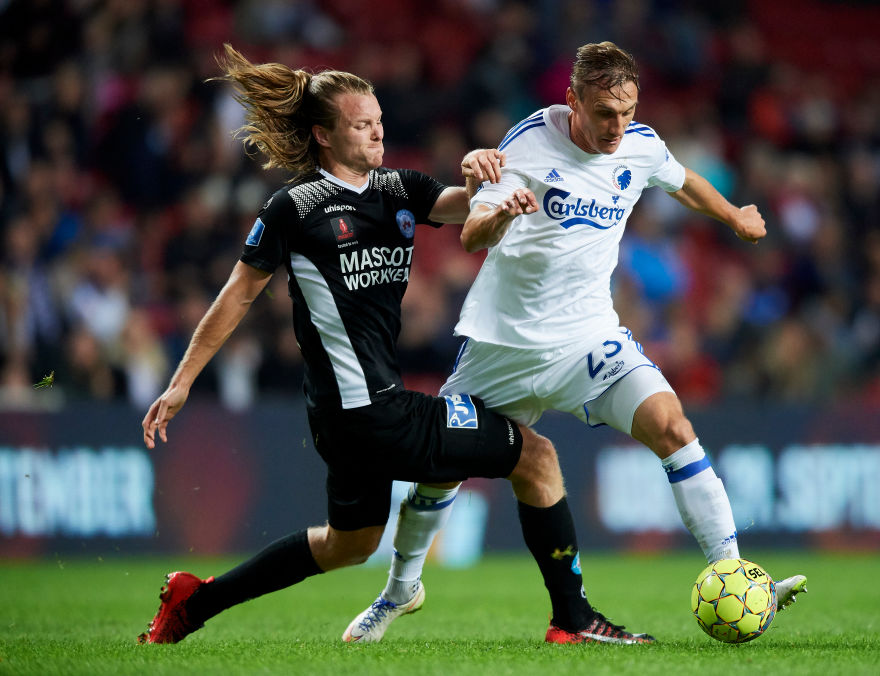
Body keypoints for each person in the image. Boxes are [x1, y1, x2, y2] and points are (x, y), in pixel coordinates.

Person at [137, 44, 651, 646]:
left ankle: (194, 603)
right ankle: (573, 619)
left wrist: (500, 185)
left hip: (349, 416)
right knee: (535, 457)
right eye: (361, 124)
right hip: (369, 411)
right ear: (324, 136)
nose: (378, 131)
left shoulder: (397, 187)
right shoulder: (294, 208)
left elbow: (464, 208)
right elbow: (237, 294)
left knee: (348, 543)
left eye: (379, 120)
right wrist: (181, 381)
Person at [346, 41, 808, 644]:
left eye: (627, 111)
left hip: (589, 338)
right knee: (439, 476)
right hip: (503, 347)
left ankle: (733, 573)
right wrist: (505, 211)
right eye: (604, 114)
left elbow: (682, 181)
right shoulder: (527, 144)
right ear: (573, 101)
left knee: (673, 426)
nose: (618, 127)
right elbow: (471, 235)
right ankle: (399, 591)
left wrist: (732, 215)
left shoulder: (639, 144)